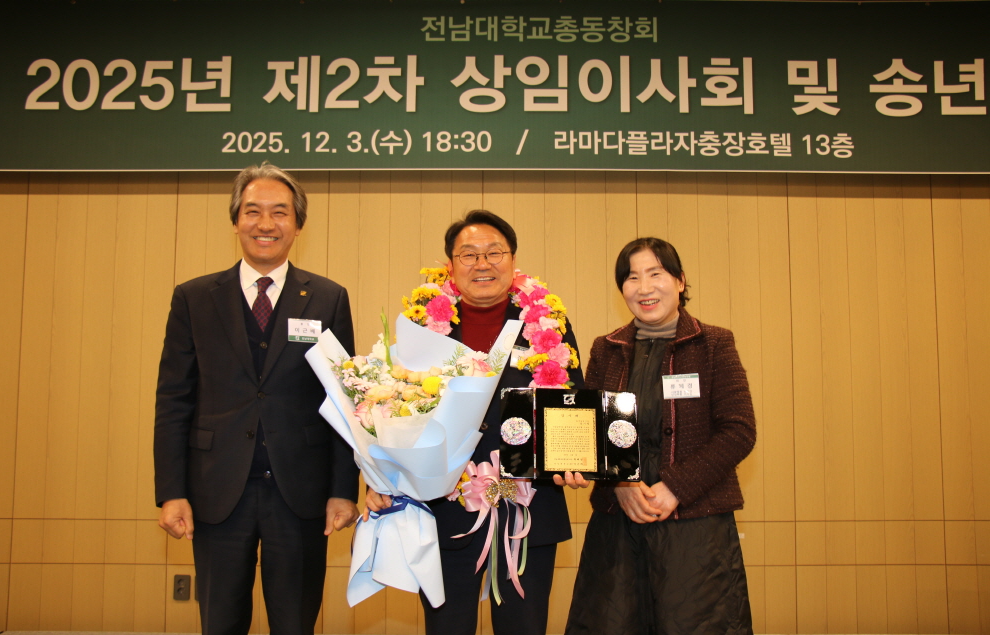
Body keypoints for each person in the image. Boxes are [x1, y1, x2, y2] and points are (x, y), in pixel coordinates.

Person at [153, 162, 359, 635]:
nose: (266, 223)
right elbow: (174, 400)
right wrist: (172, 491)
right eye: (253, 211)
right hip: (216, 492)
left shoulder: (328, 298)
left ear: (298, 224)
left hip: (301, 494)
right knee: (220, 623)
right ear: (235, 220)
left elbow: (344, 398)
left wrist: (342, 490)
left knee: (295, 623)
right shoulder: (194, 298)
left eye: (280, 212)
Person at [367, 210, 584, 635]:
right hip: (446, 507)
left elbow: (568, 400)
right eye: (468, 254)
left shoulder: (548, 324)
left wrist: (573, 459)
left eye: (494, 252)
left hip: (528, 508)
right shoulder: (422, 325)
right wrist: (382, 477)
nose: (482, 263)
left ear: (513, 260)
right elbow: (393, 410)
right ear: (450, 265)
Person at [555, 237, 755, 635]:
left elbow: (739, 430)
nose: (644, 287)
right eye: (632, 278)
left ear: (680, 281)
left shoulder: (714, 343)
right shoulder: (607, 348)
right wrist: (618, 484)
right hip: (618, 525)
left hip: (696, 527)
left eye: (655, 274)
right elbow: (589, 432)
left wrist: (676, 487)